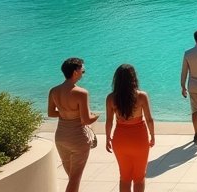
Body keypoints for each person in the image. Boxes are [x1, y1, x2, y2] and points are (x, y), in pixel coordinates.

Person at [48, 57, 99, 192]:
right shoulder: (81, 93)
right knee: (75, 178)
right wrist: (96, 116)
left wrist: (66, 113)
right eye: (83, 70)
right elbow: (87, 120)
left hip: (60, 137)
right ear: (75, 72)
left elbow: (51, 113)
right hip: (77, 138)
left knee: (72, 177)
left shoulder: (54, 91)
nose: (83, 72)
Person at [105, 64, 156, 192]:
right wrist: (152, 135)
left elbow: (109, 121)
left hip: (120, 139)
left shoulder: (111, 98)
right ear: (134, 79)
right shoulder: (141, 96)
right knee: (139, 177)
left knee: (124, 176)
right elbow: (149, 119)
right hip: (139, 139)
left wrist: (107, 138)